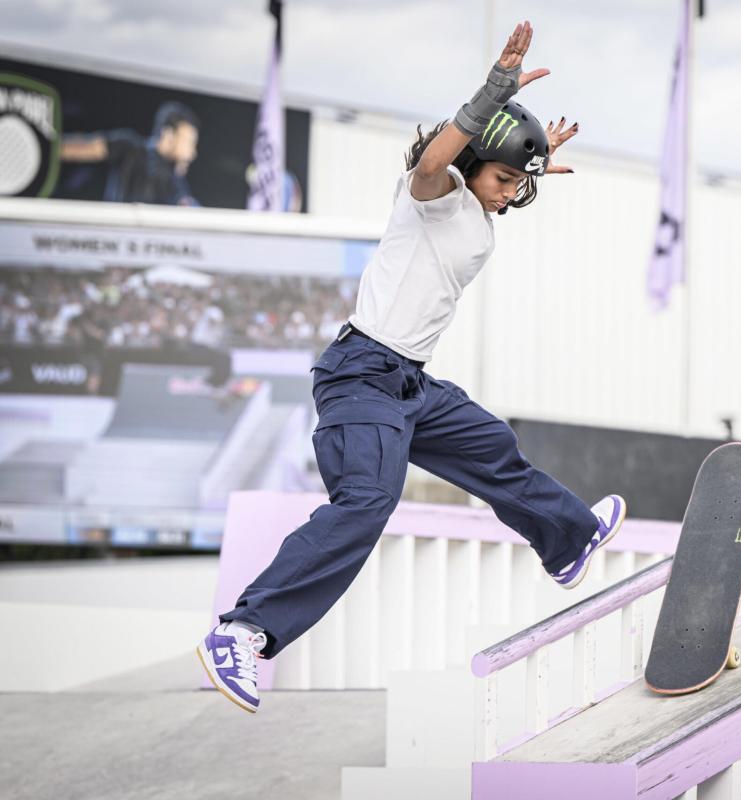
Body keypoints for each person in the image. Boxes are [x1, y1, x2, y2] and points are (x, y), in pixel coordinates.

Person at [197, 22, 626, 714]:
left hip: (410, 385)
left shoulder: (482, 213)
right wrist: (492, 96)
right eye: (503, 178)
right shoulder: (429, 195)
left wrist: (535, 158)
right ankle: (242, 631)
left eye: (520, 186)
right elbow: (438, 161)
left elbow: (503, 179)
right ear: (475, 159)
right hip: (361, 375)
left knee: (489, 443)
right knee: (368, 500)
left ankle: (566, 538)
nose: (509, 194)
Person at [60, 101, 201, 206]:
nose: (192, 152)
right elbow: (80, 149)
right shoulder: (130, 147)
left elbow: (188, 205)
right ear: (168, 135)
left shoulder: (174, 179)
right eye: (188, 142)